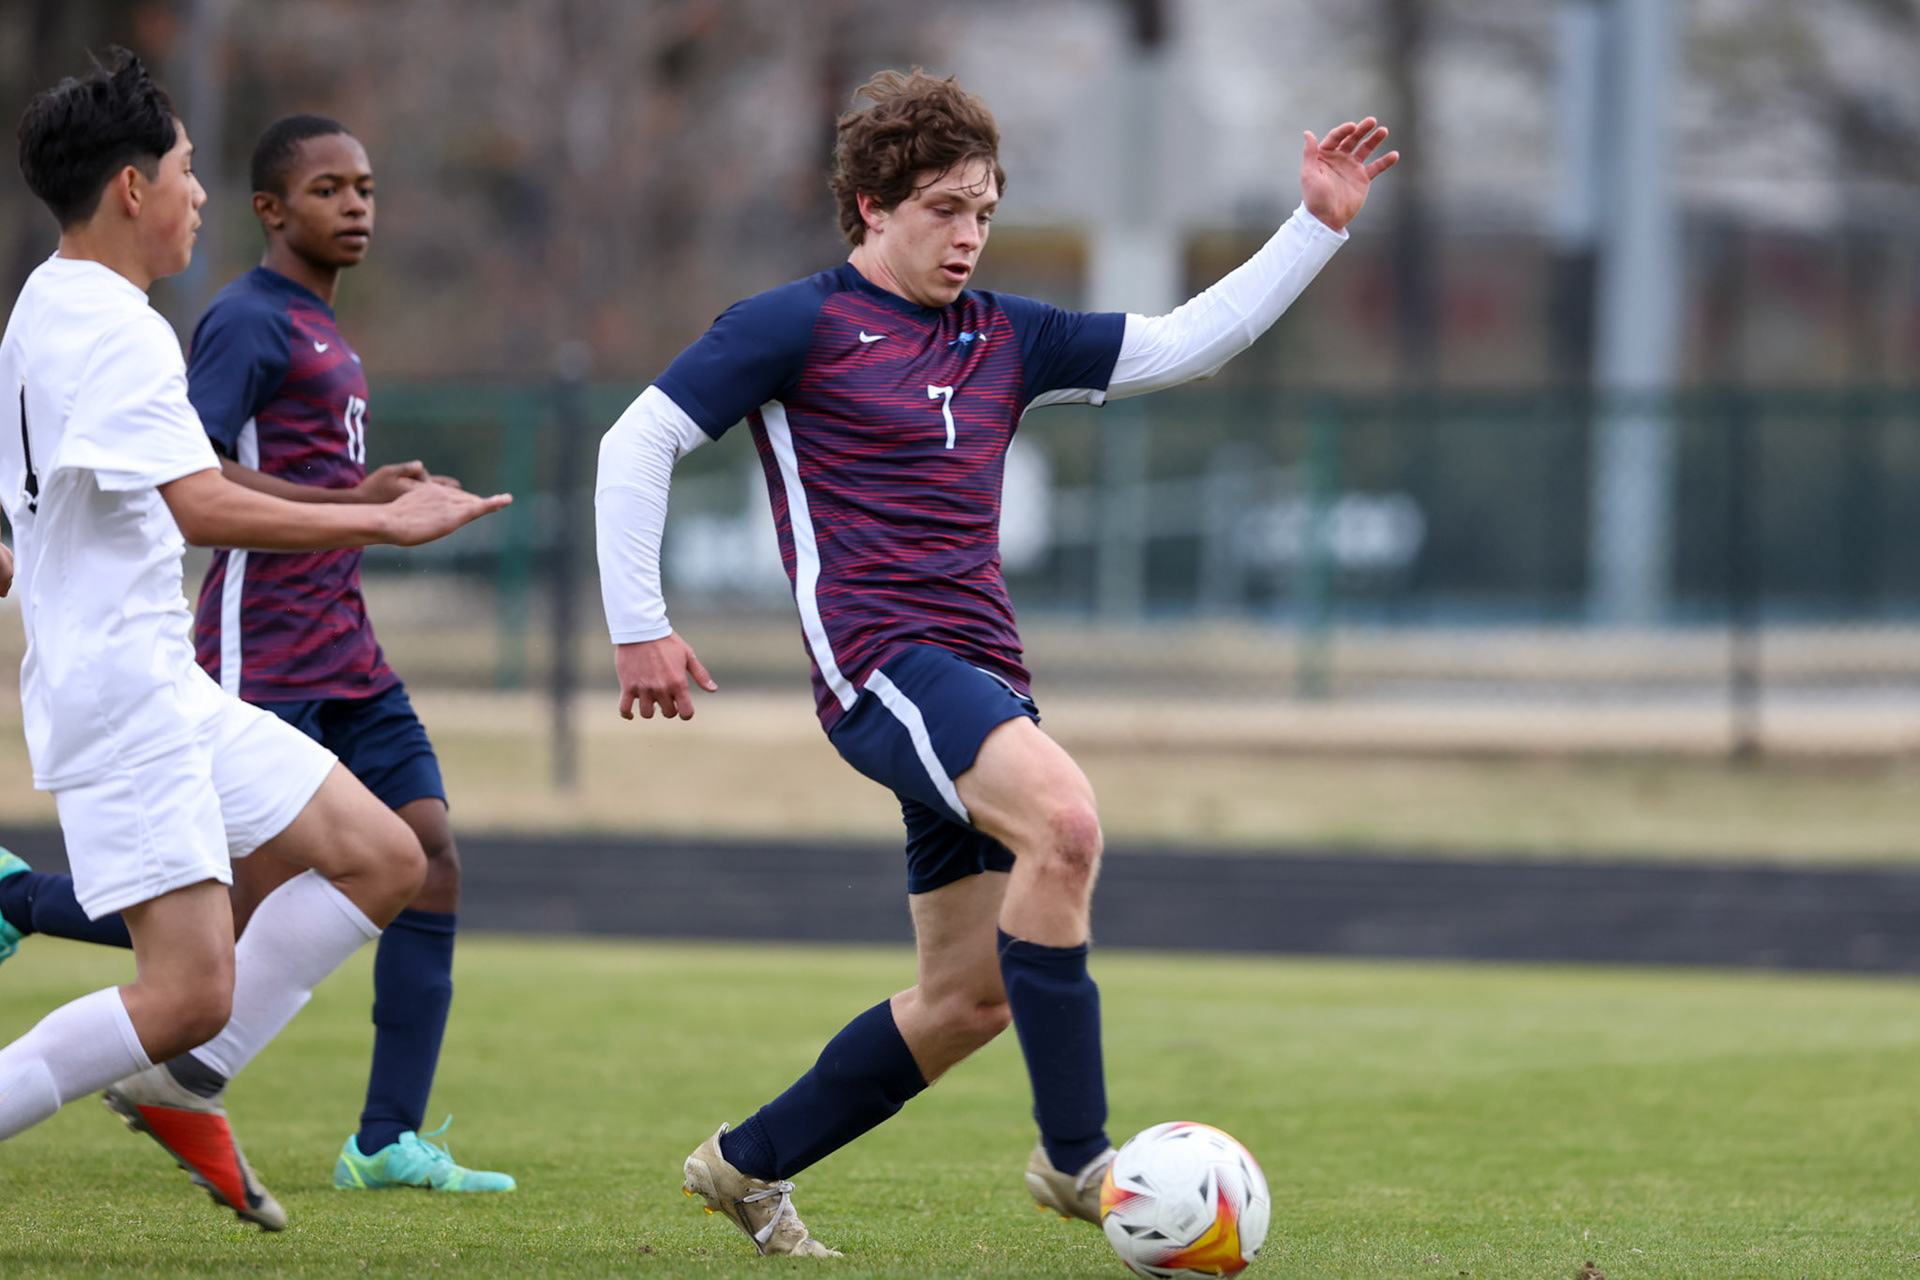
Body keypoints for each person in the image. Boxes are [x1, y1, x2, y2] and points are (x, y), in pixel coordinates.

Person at [594, 68, 1396, 1257]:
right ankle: (1078, 1159)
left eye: (983, 209)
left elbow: (1184, 343)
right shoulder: (795, 325)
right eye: (941, 208)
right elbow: (640, 436)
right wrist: (638, 618)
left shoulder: (1005, 334)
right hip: (880, 663)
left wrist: (1312, 227)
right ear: (870, 205)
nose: (968, 234)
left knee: (971, 997)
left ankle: (747, 1162)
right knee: (1067, 825)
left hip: (982, 675)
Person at [0, 50, 509, 1231]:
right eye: (186, 171)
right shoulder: (118, 331)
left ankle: (181, 1079)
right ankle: (171, 1046)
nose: (200, 196)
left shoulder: (49, 301)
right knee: (182, 985)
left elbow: (81, 491)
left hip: (163, 683)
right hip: (124, 698)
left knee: (387, 855)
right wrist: (379, 521)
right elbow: (197, 502)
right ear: (132, 187)